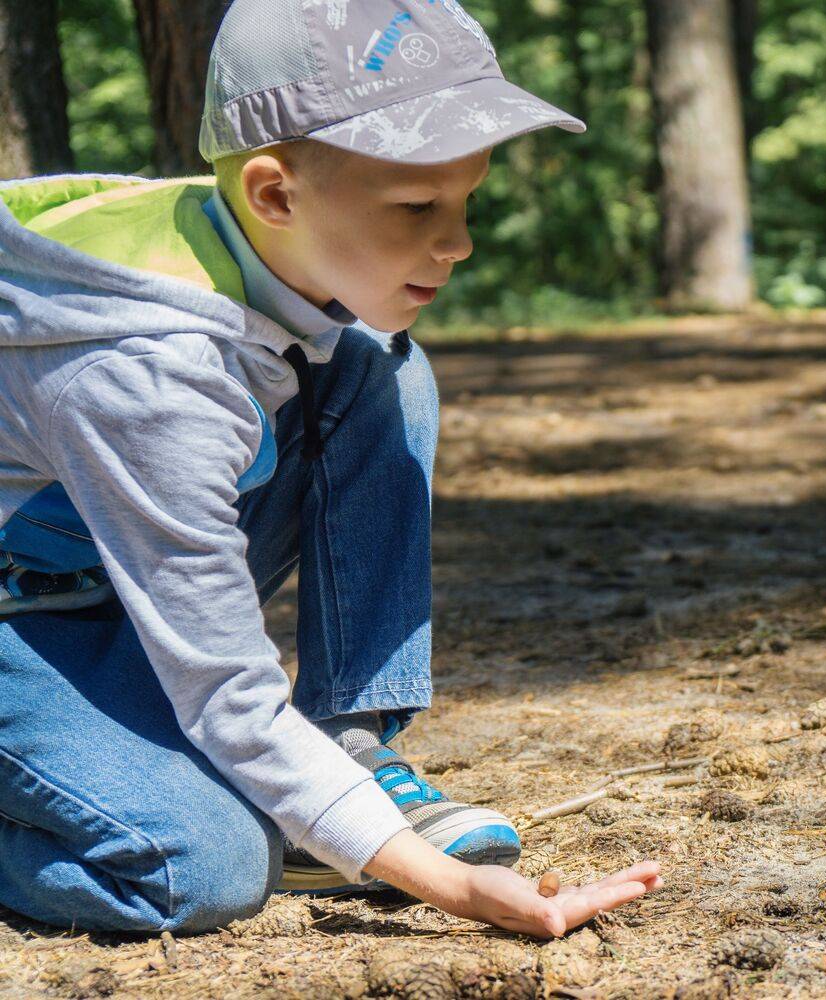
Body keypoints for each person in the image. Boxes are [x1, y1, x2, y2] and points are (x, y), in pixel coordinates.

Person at [0, 0, 660, 936]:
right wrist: (455, 888)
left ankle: (345, 744)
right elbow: (227, 690)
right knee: (202, 868)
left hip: (103, 577)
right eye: (417, 206)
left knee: (375, 364)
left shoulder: (247, 239)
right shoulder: (148, 377)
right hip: (22, 628)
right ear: (274, 192)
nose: (458, 241)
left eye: (465, 198)